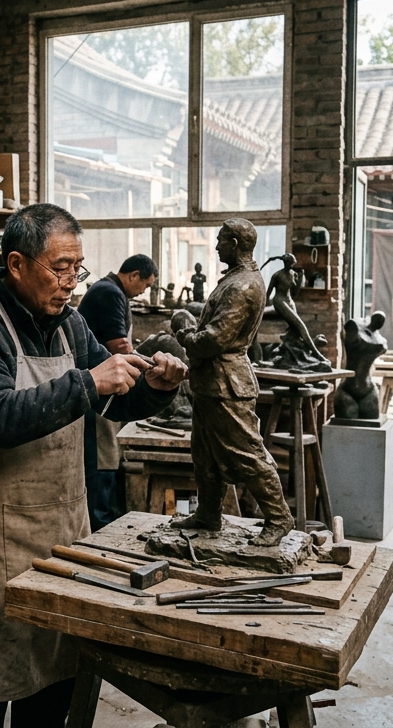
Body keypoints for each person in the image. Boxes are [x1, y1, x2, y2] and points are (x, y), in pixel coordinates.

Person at [0, 203, 186, 727]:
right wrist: (90, 380)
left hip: (62, 532)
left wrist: (155, 390)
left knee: (55, 688)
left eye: (78, 268)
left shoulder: (71, 325)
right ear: (17, 264)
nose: (71, 283)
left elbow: (113, 404)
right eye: (60, 268)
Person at [173, 219, 294, 546]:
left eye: (221, 241)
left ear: (236, 244)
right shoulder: (236, 279)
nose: (216, 247)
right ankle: (209, 513)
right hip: (210, 383)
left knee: (246, 453)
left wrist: (185, 336)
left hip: (227, 384)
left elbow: (215, 338)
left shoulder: (242, 286)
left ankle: (279, 517)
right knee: (205, 455)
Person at [77, 253, 158, 530]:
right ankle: (99, 525)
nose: (143, 292)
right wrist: (151, 368)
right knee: (102, 458)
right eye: (144, 286)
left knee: (108, 456)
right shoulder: (109, 293)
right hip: (100, 388)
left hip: (106, 385)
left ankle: (103, 518)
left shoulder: (111, 291)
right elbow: (119, 346)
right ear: (133, 276)